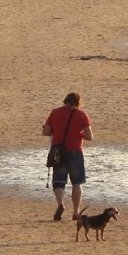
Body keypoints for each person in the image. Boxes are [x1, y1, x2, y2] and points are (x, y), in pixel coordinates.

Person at [42, 92, 93, 221]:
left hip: (58, 151)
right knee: (77, 182)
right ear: (78, 103)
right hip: (75, 151)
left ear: (65, 101)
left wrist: (57, 132)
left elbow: (45, 131)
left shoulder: (55, 112)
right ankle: (76, 212)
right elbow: (89, 137)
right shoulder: (82, 115)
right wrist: (78, 134)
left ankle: (60, 204)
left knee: (58, 181)